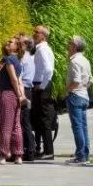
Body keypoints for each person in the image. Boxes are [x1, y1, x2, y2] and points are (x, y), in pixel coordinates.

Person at [0, 39, 26, 164]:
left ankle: (3, 154)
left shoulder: (9, 60)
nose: (8, 42)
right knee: (16, 125)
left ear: (17, 47)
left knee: (6, 125)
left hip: (8, 93)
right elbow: (19, 81)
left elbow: (13, 79)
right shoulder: (17, 61)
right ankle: (18, 155)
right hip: (15, 95)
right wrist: (21, 95)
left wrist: (19, 95)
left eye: (11, 42)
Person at [65, 35, 93, 165]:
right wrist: (83, 88)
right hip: (84, 95)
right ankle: (85, 155)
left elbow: (76, 80)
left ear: (75, 47)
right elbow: (90, 80)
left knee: (77, 127)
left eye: (70, 44)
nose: (68, 46)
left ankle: (81, 156)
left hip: (75, 96)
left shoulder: (74, 61)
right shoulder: (85, 60)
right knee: (83, 127)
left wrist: (69, 90)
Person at [31, 25, 56, 161]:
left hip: (41, 87)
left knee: (44, 119)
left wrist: (42, 86)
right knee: (39, 119)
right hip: (40, 85)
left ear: (43, 36)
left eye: (37, 32)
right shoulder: (39, 49)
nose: (34, 33)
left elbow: (48, 70)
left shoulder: (43, 50)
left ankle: (49, 151)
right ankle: (41, 149)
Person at [18, 34, 37, 162]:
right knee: (25, 121)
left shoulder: (24, 58)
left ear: (25, 44)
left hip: (24, 89)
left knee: (23, 121)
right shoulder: (29, 57)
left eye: (20, 41)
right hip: (27, 89)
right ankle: (29, 149)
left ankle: (29, 150)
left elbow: (18, 77)